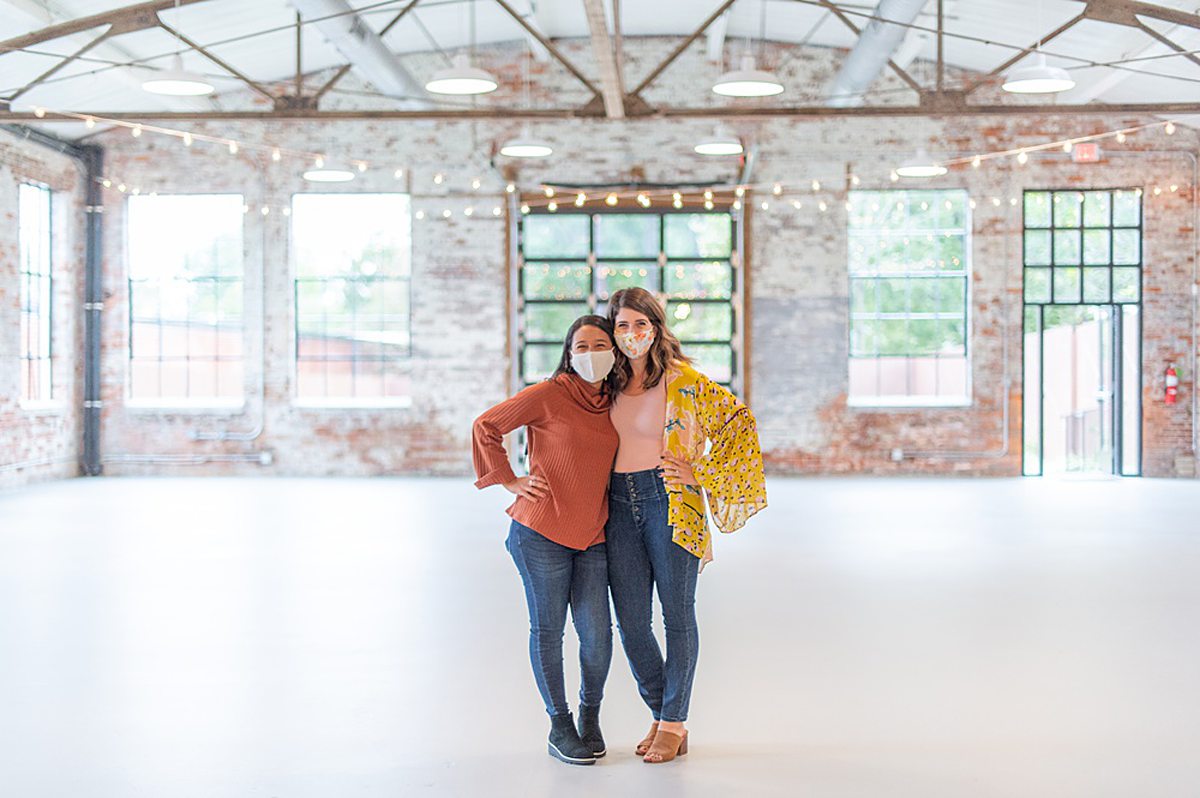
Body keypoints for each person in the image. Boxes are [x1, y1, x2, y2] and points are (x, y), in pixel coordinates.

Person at [604, 287, 767, 764]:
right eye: (621, 326)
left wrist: (703, 472)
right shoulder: (604, 385)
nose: (631, 334)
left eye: (640, 324)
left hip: (669, 501)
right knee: (631, 622)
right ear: (612, 332)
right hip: (616, 505)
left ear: (656, 327)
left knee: (677, 615)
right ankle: (661, 711)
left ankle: (673, 723)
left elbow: (740, 425)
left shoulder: (686, 382)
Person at [471, 315, 619, 766]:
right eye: (581, 347)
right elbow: (486, 426)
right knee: (549, 630)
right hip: (540, 532)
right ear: (568, 353)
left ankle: (589, 716)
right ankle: (559, 723)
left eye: (600, 345)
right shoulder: (550, 394)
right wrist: (509, 480)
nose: (591, 354)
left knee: (597, 635)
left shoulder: (615, 400)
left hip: (592, 531)